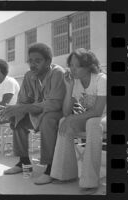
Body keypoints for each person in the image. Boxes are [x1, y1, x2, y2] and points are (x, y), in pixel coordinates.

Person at [0, 43, 66, 185]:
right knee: (16, 115)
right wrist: (12, 109)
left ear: (48, 61)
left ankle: (50, 168)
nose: (33, 64)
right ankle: (24, 162)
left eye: (38, 61)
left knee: (48, 118)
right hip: (38, 113)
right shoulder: (29, 76)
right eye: (30, 61)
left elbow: (55, 104)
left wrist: (24, 108)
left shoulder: (57, 73)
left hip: (59, 113)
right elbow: (23, 100)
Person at [50, 48, 106, 189]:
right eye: (71, 65)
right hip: (89, 119)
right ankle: (65, 175)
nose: (72, 69)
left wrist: (71, 118)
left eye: (78, 65)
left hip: (104, 118)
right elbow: (66, 112)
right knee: (64, 121)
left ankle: (90, 182)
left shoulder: (101, 79)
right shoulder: (75, 82)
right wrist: (69, 89)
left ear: (88, 66)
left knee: (93, 123)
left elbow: (98, 111)